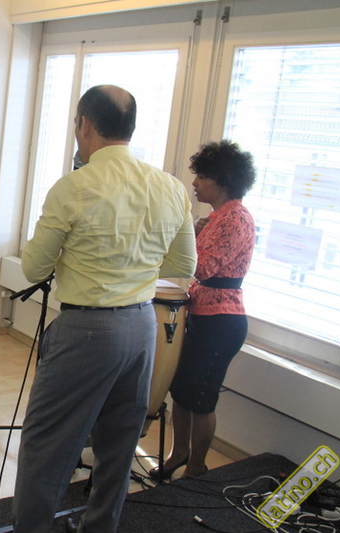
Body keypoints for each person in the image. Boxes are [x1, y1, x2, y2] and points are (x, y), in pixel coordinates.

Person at [12, 85, 197, 533]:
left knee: (47, 445)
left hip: (87, 330)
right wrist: (133, 269)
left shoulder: (74, 187)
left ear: (85, 125)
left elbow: (33, 267)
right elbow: (184, 266)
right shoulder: (170, 187)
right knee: (119, 444)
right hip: (143, 326)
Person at [152, 141, 256, 482]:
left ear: (222, 180)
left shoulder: (236, 218)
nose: (194, 183)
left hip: (222, 322)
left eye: (202, 177)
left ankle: (197, 467)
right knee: (181, 391)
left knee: (201, 397)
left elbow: (203, 267)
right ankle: (179, 454)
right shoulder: (217, 217)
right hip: (203, 315)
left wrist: (186, 239)